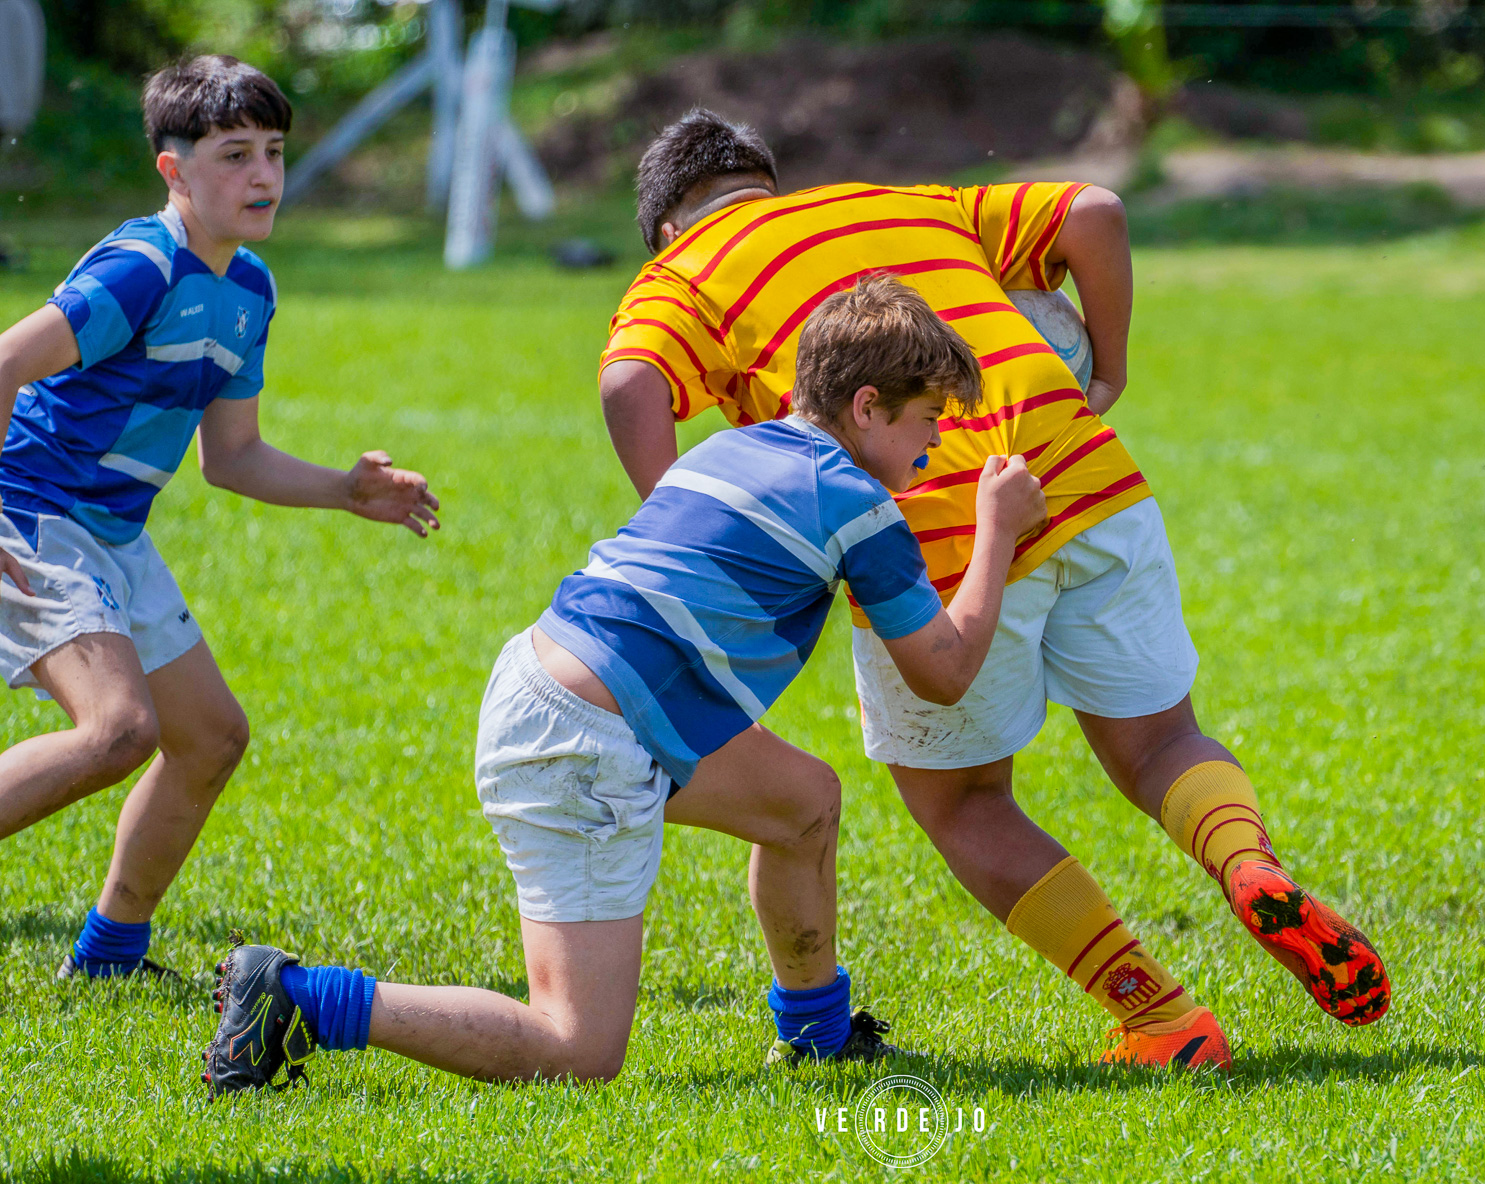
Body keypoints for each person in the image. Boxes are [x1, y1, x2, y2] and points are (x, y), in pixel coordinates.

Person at [597, 110, 1390, 1070]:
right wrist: (1109, 368)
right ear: (767, 180)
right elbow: (1094, 211)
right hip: (1079, 471)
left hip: (923, 520)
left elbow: (630, 383)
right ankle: (1246, 863)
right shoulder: (895, 199)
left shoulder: (677, 273)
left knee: (964, 801)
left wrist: (684, 516)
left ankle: (1161, 1019)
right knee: (1160, 743)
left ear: (667, 225)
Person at [201, 275, 1048, 1093]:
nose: (937, 441)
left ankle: (819, 1041)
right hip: (585, 741)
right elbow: (944, 673)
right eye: (929, 420)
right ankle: (297, 1000)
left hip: (556, 685)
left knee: (803, 802)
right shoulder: (859, 504)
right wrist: (999, 528)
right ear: (867, 407)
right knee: (575, 1047)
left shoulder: (739, 443)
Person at [0, 56, 439, 982]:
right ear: (174, 170)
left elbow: (230, 457)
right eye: (235, 154)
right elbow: (4, 365)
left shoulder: (249, 290)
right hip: (33, 512)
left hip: (113, 532)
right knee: (117, 730)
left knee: (210, 738)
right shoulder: (139, 268)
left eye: (273, 152)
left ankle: (110, 957)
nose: (263, 176)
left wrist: (345, 491)